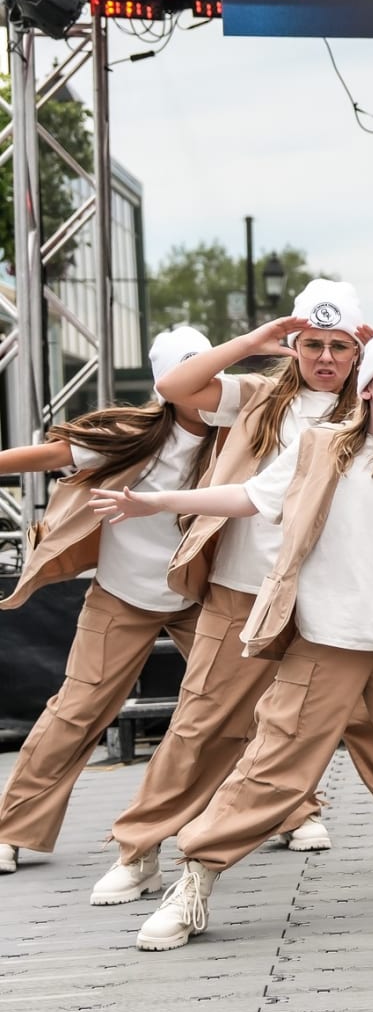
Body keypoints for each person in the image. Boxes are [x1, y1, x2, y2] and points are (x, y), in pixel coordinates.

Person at [91, 332, 373, 950]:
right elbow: (250, 496)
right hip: (323, 646)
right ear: (368, 388)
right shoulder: (320, 448)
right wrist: (157, 501)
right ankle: (195, 879)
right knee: (269, 772)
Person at [0, 328, 217, 876]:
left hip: (204, 594)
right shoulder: (131, 433)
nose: (204, 384)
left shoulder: (240, 431)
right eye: (189, 373)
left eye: (210, 371)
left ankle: (294, 813)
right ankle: (10, 831)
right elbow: (47, 454)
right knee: (75, 712)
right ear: (166, 384)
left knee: (251, 699)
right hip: (122, 596)